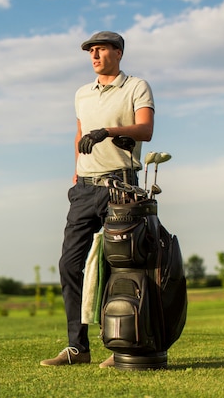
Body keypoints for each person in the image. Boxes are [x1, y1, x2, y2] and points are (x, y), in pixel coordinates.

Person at [40, 31, 155, 368]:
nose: (94, 55)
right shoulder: (81, 94)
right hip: (85, 189)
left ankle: (123, 347)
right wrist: (76, 174)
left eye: (101, 49)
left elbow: (145, 129)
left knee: (121, 267)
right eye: (91, 50)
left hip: (121, 186)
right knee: (69, 264)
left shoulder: (136, 86)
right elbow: (79, 134)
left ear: (117, 52)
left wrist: (108, 131)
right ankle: (78, 348)